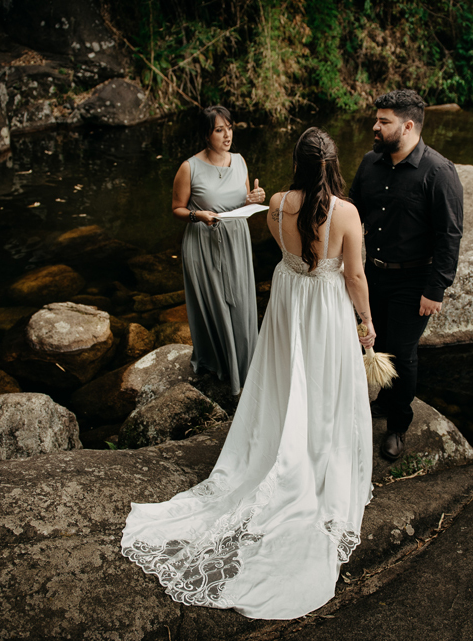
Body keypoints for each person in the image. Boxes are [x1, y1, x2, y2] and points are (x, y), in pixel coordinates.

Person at [121, 127, 375, 620]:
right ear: (334, 165)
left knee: (285, 379)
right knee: (324, 383)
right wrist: (366, 322)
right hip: (324, 307)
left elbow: (288, 255)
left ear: (297, 163)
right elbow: (355, 275)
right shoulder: (346, 212)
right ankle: (317, 456)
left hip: (288, 302)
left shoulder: (276, 204)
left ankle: (280, 443)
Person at [349, 89, 464, 462]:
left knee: (402, 351)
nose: (375, 126)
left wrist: (436, 288)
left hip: (414, 281)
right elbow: (351, 210)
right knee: (374, 341)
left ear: (409, 126)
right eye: (377, 119)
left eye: (384, 122)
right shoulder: (370, 163)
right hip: (371, 274)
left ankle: (398, 425)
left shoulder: (439, 172)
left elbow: (449, 235)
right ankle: (383, 401)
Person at [171, 105, 265, 395]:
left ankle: (245, 366)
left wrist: (254, 198)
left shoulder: (240, 160)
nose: (227, 136)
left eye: (230, 128)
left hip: (236, 240)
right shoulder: (189, 167)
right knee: (214, 305)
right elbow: (177, 208)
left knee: (240, 302)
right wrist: (197, 215)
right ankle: (218, 365)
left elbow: (244, 201)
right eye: (219, 130)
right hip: (203, 242)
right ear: (206, 134)